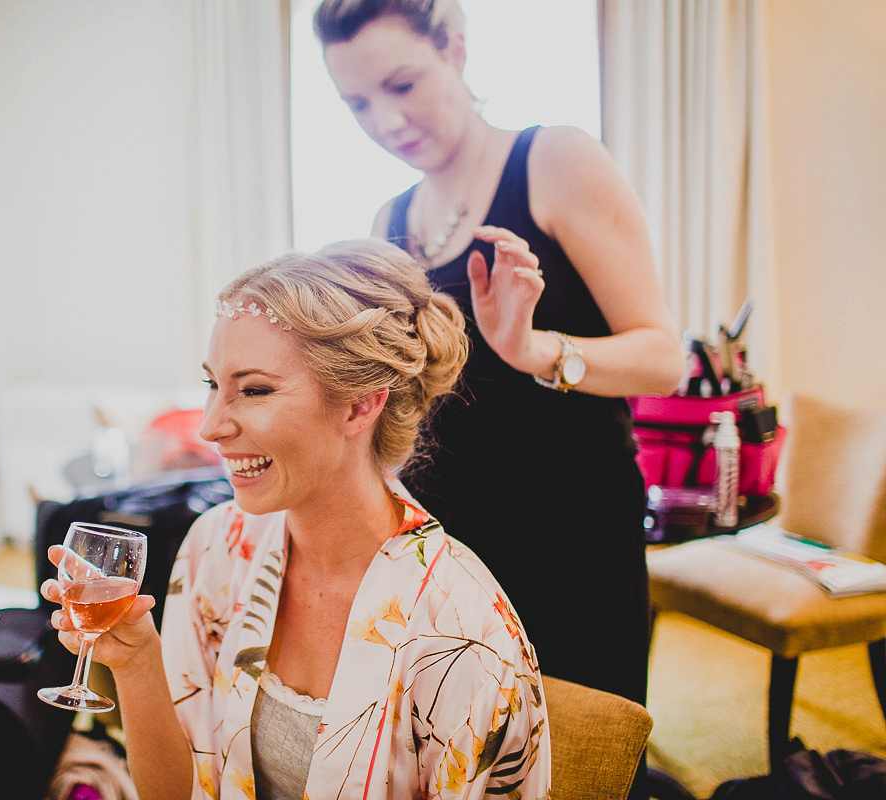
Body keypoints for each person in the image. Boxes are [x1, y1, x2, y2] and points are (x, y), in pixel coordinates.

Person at [43, 238, 551, 800]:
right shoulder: (218, 547)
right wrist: (138, 663)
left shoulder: (464, 635)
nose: (211, 427)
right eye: (214, 385)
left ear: (361, 404)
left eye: (254, 390)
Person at [313, 0, 684, 710]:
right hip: (445, 538)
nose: (386, 122)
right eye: (357, 103)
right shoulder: (387, 221)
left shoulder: (555, 160)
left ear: (454, 48)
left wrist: (534, 350)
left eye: (402, 85)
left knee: (578, 750)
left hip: (569, 522)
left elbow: (663, 357)